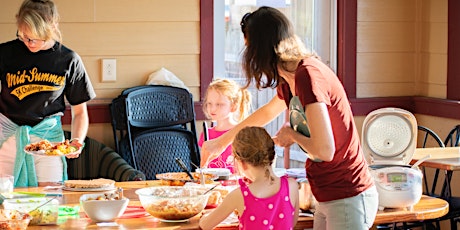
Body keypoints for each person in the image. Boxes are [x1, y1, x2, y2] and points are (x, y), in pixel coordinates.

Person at [201, 6, 379, 230]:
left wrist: (291, 135)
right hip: (326, 194)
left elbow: (325, 150)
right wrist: (220, 142)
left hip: (347, 193)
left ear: (262, 49)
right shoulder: (289, 81)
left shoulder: (308, 75)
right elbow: (266, 113)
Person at [0, 0, 96, 187]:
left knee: (50, 201)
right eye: (24, 36)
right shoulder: (4, 53)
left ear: (53, 26)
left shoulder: (68, 60)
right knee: (6, 201)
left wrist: (77, 140)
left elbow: (80, 112)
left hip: (49, 142)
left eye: (36, 37)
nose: (30, 43)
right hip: (8, 137)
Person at [199, 126, 299, 230]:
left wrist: (204, 218)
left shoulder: (239, 195)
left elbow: (205, 225)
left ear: (241, 163)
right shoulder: (291, 185)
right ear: (271, 155)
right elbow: (293, 222)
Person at [199, 78, 251, 173]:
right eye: (209, 103)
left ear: (233, 106)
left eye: (219, 104)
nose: (213, 109)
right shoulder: (206, 134)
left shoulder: (242, 133)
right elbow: (203, 166)